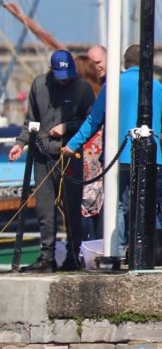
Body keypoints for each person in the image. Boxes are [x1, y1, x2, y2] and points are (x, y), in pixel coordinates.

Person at [63, 44, 162, 259]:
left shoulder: (114, 85)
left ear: (125, 63)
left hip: (118, 156)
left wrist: (71, 145)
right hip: (153, 157)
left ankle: (116, 252)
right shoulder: (156, 87)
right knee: (151, 205)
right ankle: (147, 252)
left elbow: (93, 120)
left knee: (118, 205)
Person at [9, 49, 95, 271]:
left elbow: (92, 120)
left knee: (72, 209)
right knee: (44, 211)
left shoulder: (83, 88)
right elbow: (31, 122)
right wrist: (20, 143)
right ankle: (47, 257)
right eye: (61, 77)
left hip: (69, 156)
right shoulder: (39, 85)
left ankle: (73, 256)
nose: (65, 81)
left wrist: (68, 127)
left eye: (68, 76)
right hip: (42, 156)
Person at [74, 54, 104, 241]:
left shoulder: (78, 95)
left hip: (81, 150)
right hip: (99, 153)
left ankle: (82, 247)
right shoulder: (102, 93)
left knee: (80, 202)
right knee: (98, 200)